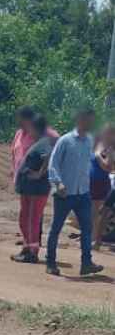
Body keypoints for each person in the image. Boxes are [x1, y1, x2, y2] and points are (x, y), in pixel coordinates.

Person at [46, 108, 104, 277]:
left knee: (87, 228)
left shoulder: (90, 141)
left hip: (83, 193)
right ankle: (50, 263)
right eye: (88, 120)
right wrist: (59, 184)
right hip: (65, 193)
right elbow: (53, 164)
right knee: (56, 228)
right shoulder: (65, 141)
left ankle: (86, 263)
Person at [12, 115, 56, 263]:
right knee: (26, 219)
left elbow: (48, 156)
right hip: (30, 189)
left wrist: (39, 174)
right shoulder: (40, 141)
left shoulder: (44, 142)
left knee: (32, 220)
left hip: (36, 190)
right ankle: (27, 248)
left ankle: (32, 252)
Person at [90, 124, 115, 249]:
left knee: (101, 211)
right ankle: (96, 241)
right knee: (103, 211)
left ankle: (95, 240)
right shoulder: (102, 146)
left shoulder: (109, 149)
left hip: (103, 183)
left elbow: (108, 166)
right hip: (107, 184)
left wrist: (99, 155)